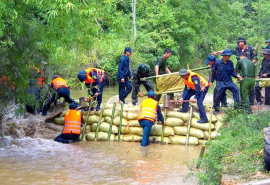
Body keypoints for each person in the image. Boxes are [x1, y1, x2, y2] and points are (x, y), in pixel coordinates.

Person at [211, 37, 257, 105]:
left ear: (243, 42)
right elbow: (227, 51)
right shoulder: (236, 49)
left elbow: (256, 58)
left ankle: (251, 102)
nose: (238, 43)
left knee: (251, 86)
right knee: (243, 85)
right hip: (241, 69)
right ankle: (242, 102)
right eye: (237, 42)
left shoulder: (251, 49)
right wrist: (217, 52)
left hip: (250, 69)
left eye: (239, 42)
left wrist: (250, 64)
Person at [210, 49, 242, 115]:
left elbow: (232, 72)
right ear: (224, 56)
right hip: (220, 82)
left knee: (236, 90)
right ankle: (216, 108)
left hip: (229, 81)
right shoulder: (217, 63)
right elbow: (212, 73)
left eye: (229, 55)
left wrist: (237, 76)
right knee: (217, 93)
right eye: (228, 55)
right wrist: (210, 81)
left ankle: (236, 107)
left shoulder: (230, 63)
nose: (229, 57)